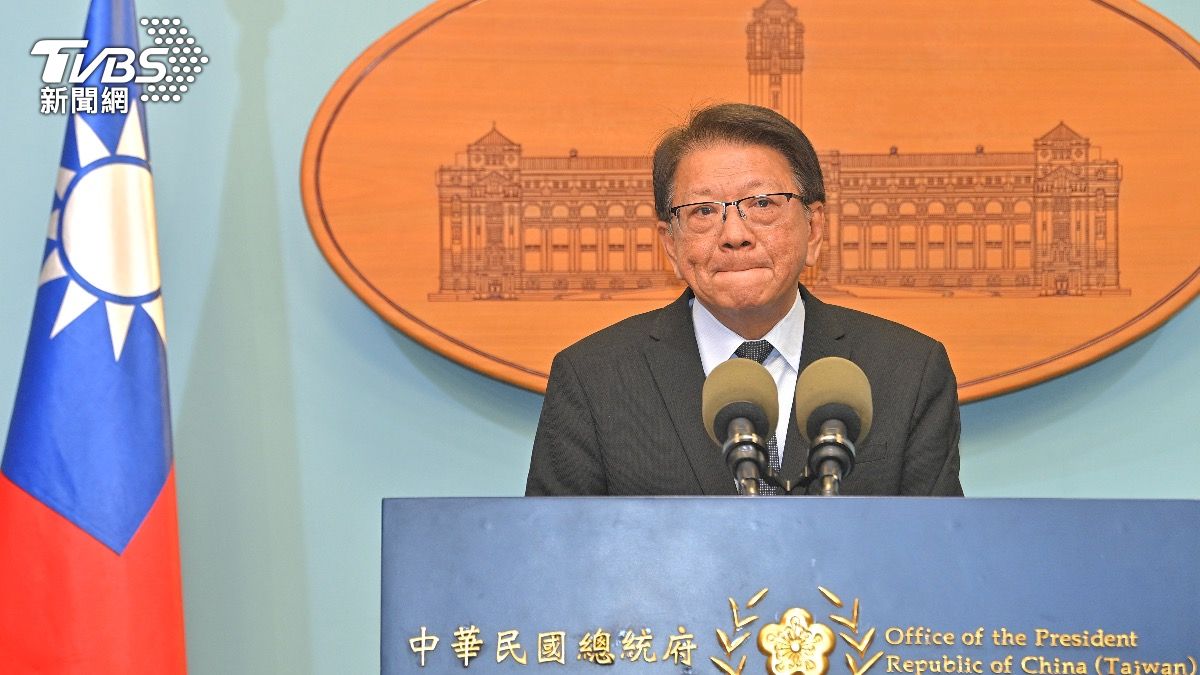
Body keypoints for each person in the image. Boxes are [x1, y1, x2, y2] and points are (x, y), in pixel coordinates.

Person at [525, 103, 962, 496]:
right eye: (703, 211)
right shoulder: (593, 379)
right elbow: (554, 549)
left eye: (762, 203)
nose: (735, 234)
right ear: (670, 244)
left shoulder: (908, 370)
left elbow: (941, 547)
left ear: (814, 229)